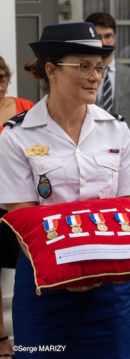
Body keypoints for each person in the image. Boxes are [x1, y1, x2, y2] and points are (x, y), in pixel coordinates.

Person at [0, 22, 130, 359]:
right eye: (82, 66)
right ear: (51, 70)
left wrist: (95, 267)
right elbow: (22, 218)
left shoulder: (116, 130)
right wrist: (69, 271)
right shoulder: (17, 136)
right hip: (45, 288)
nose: (95, 75)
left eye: (98, 67)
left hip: (109, 289)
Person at [0, 55, 35, 358]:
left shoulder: (26, 108)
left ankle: (31, 336)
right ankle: (0, 337)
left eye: (1, 77)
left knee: (31, 260)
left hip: (23, 199)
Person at [85, 12, 130, 147]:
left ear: (115, 37)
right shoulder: (81, 75)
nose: (103, 42)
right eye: (98, 37)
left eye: (108, 36)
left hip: (123, 149)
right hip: (88, 148)